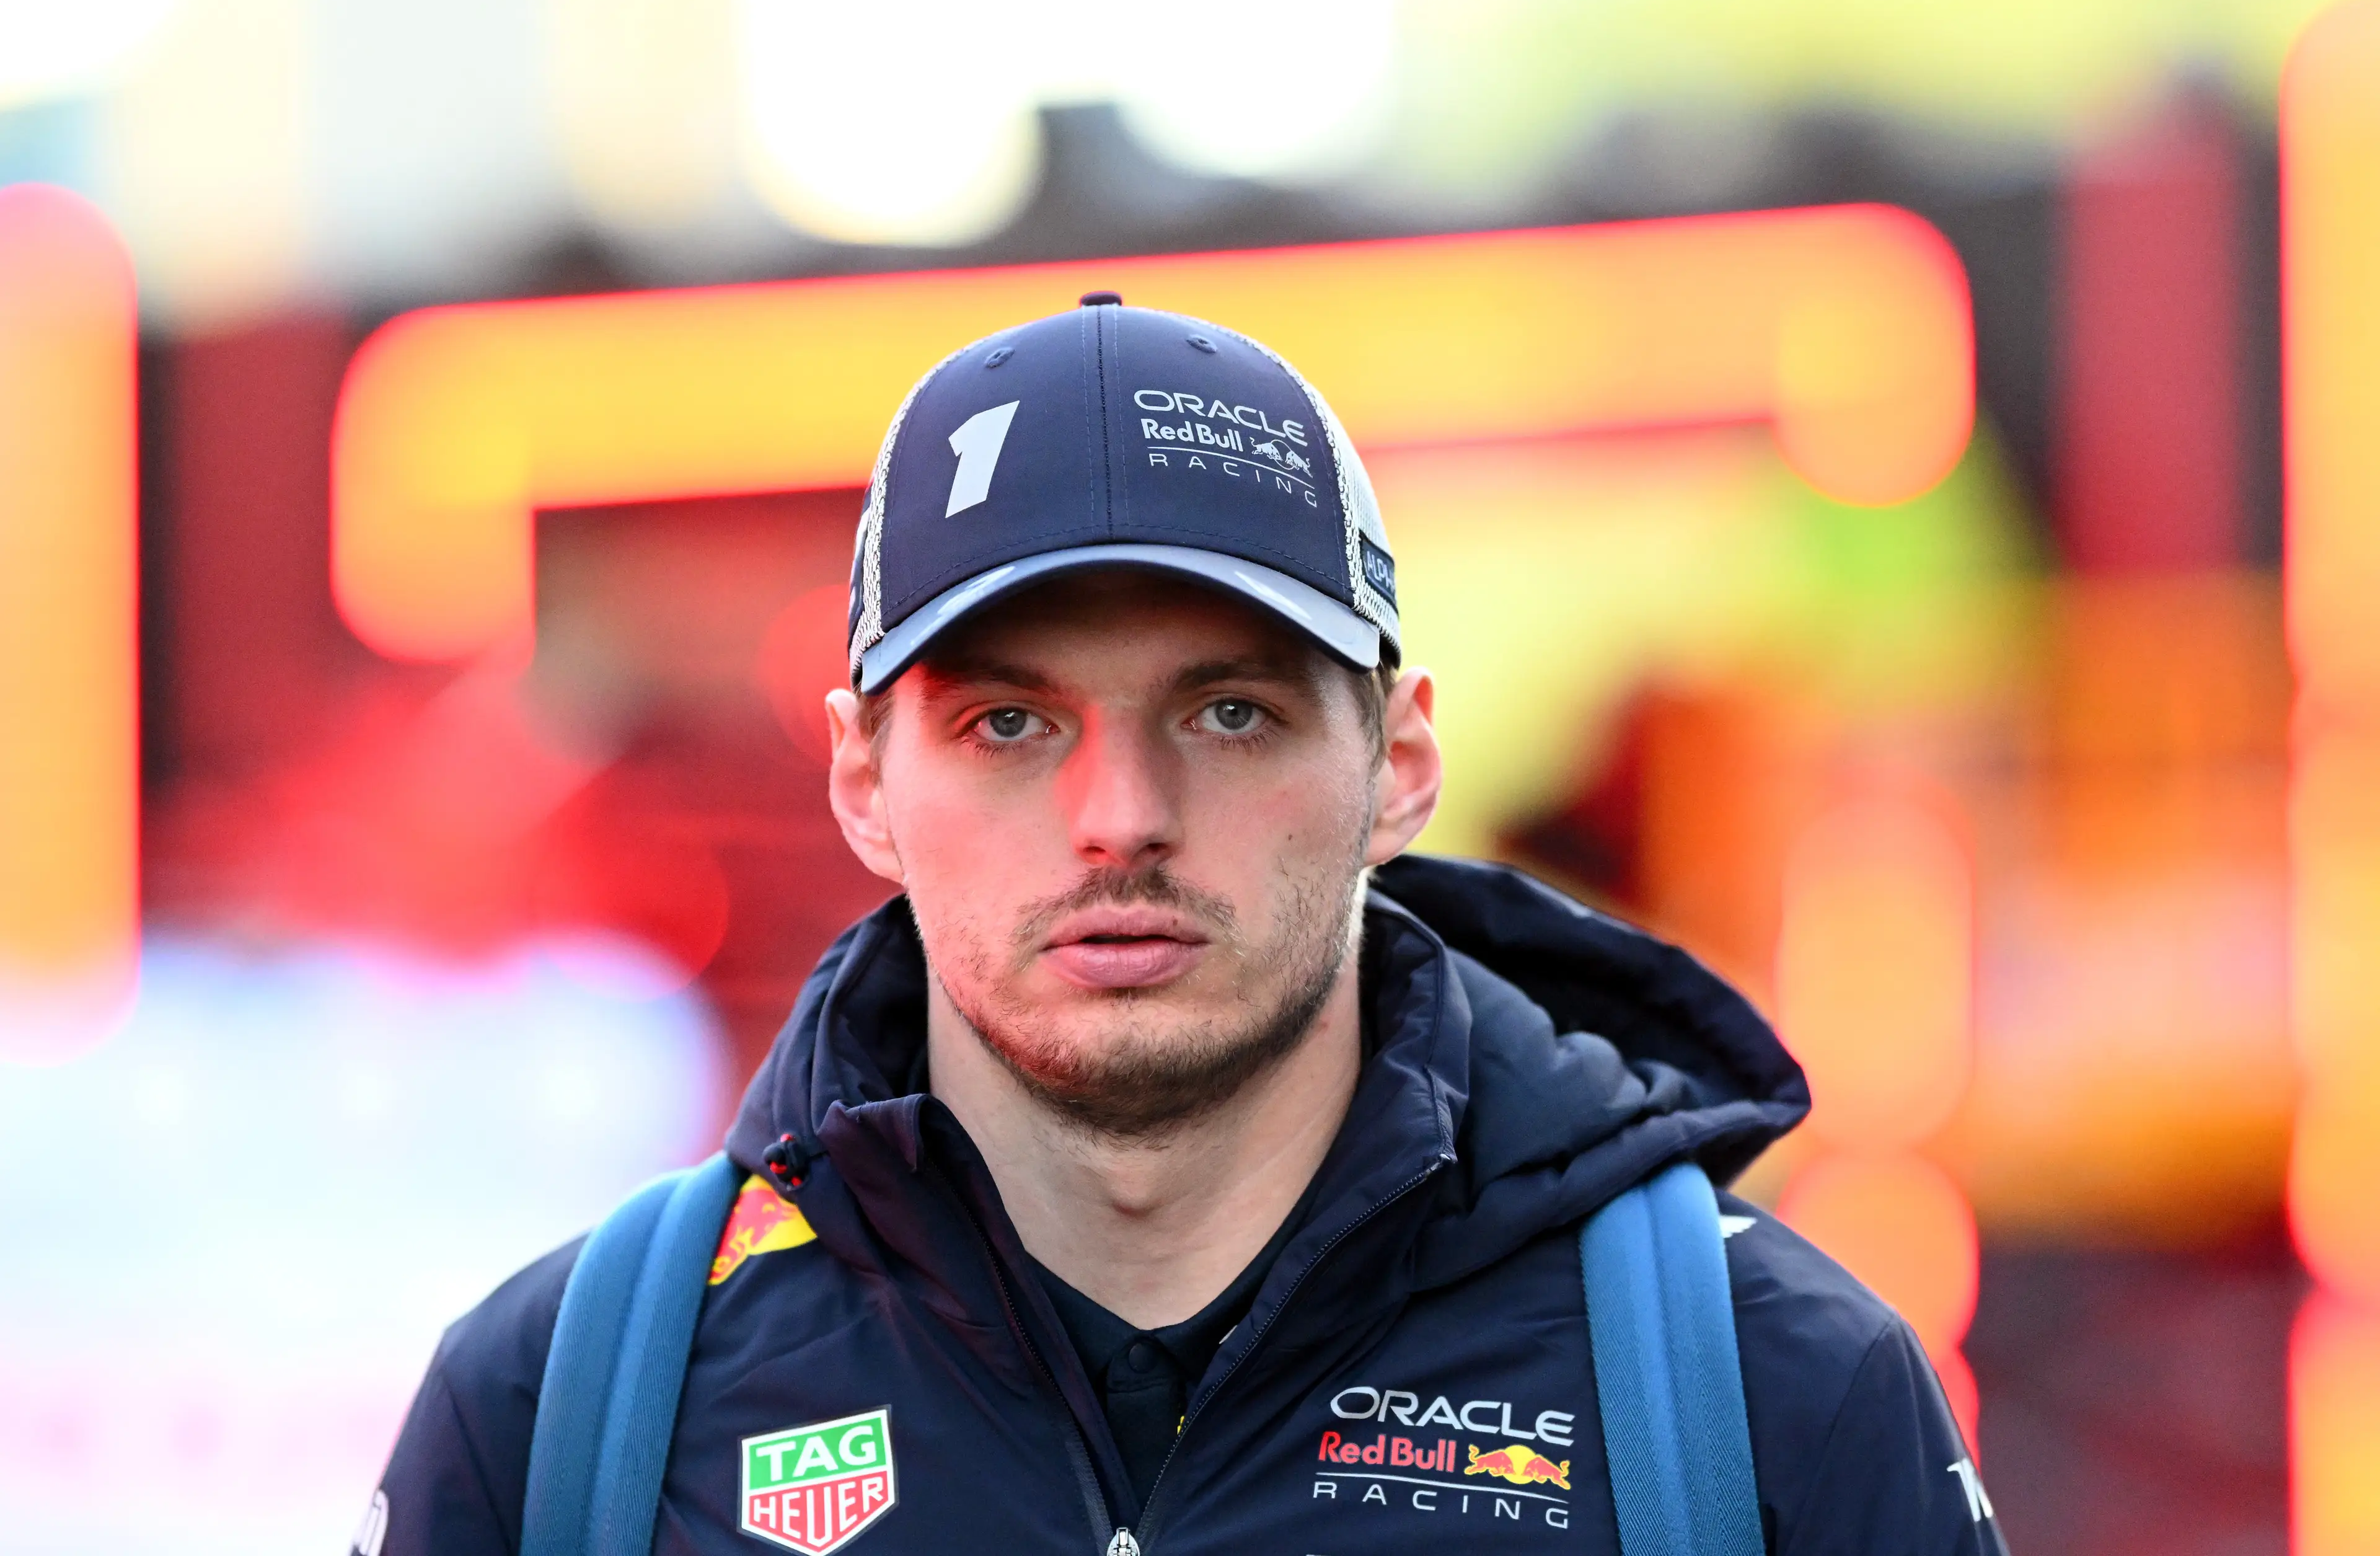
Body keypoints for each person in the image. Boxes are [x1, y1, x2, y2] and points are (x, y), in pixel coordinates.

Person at [362, 293, 2005, 1555]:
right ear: (864, 779)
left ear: (1400, 759)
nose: (1119, 815)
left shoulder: (1763, 1391)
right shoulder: (568, 1411)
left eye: (1228, 714)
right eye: (1010, 725)